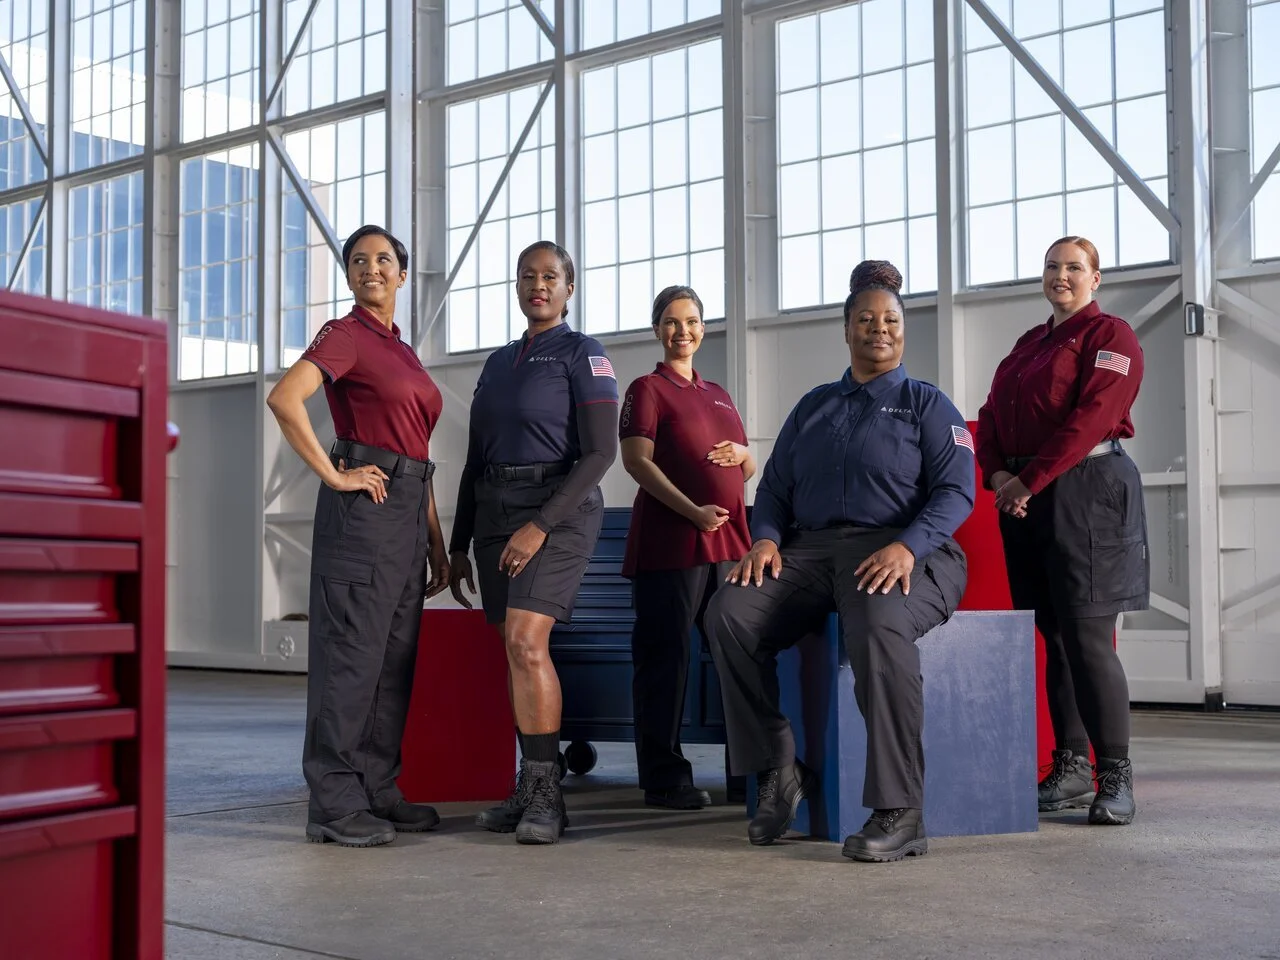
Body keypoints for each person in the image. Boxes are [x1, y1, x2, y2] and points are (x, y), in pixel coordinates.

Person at [704, 260, 973, 863]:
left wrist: (908, 546)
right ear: (847, 329)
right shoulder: (814, 407)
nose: (880, 328)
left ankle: (902, 811)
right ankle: (777, 765)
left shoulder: (927, 405)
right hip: (811, 551)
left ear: (904, 330)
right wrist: (767, 539)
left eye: (891, 320)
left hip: (908, 546)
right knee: (729, 614)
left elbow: (956, 492)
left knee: (880, 624)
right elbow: (772, 487)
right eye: (866, 319)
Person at [266, 224, 451, 847]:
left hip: (406, 507)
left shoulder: (399, 347)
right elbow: (286, 399)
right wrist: (335, 474)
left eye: (383, 260)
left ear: (402, 273)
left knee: (391, 659)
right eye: (357, 260)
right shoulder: (346, 334)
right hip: (366, 512)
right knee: (351, 658)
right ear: (348, 274)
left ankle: (375, 786)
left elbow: (416, 449)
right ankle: (334, 802)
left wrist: (434, 539)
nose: (370, 268)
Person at [447, 240, 619, 845]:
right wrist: (458, 543)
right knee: (510, 649)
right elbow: (474, 460)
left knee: (525, 640)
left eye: (550, 276)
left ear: (570, 288)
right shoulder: (497, 363)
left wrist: (541, 523)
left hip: (559, 512)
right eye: (527, 276)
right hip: (495, 508)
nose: (538, 285)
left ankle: (548, 795)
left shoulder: (583, 355)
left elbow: (601, 452)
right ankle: (529, 783)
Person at [975, 235, 1148, 826]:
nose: (1061, 276)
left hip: (1088, 492)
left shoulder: (1111, 337)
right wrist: (1000, 473)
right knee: (1052, 634)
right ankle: (1070, 766)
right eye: (1052, 267)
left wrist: (1031, 480)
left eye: (1075, 267)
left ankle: (1115, 775)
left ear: (1095, 279)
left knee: (1088, 635)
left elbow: (1093, 417)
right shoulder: (1028, 345)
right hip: (1024, 498)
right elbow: (993, 413)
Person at [619, 285, 756, 810]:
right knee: (665, 660)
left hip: (728, 545)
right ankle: (664, 777)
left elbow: (746, 467)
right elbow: (637, 463)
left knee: (735, 656)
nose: (684, 331)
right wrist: (694, 512)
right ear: (657, 328)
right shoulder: (646, 389)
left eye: (693, 321)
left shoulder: (718, 392)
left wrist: (745, 452)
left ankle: (745, 774)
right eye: (673, 321)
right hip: (671, 544)